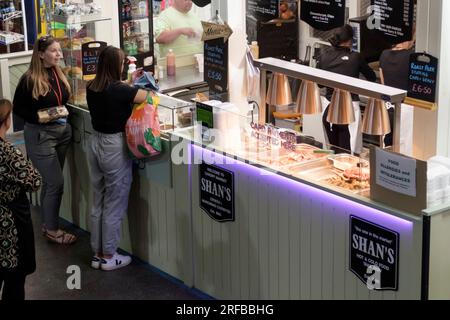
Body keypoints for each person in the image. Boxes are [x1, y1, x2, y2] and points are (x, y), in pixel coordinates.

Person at [86, 46, 148, 271]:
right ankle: (110, 255)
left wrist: (127, 83)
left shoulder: (91, 86)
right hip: (114, 146)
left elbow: (117, 93)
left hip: (94, 143)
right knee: (115, 201)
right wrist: (133, 83)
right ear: (116, 65)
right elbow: (147, 97)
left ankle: (98, 253)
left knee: (98, 200)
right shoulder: (120, 90)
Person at [13, 35, 76, 245]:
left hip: (62, 133)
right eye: (54, 51)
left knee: (51, 184)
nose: (59, 54)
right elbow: (19, 109)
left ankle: (47, 223)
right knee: (56, 183)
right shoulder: (29, 79)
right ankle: (52, 230)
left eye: (59, 50)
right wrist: (40, 117)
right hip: (41, 136)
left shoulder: (58, 73)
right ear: (41, 55)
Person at [0, 99, 42, 300]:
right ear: (7, 121)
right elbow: (34, 181)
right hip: (9, 222)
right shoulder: (8, 153)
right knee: (14, 276)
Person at [317, 24, 377, 154]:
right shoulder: (356, 57)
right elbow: (371, 77)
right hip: (350, 106)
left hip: (329, 106)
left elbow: (319, 85)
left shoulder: (324, 56)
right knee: (351, 152)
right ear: (350, 40)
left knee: (333, 150)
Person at [379, 37, 415, 147]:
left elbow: (383, 83)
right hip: (406, 108)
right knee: (404, 144)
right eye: (413, 40)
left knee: (387, 143)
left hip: (388, 106)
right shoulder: (412, 56)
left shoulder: (384, 54)